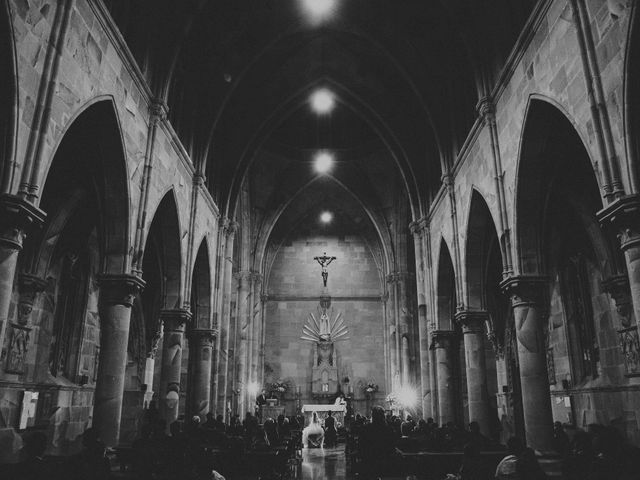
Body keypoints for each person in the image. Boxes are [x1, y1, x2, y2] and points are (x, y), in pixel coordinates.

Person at [358, 406, 396, 479]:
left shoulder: (365, 429)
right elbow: (392, 447)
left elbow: (361, 447)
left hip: (369, 463)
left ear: (373, 417)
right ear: (383, 416)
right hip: (386, 462)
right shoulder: (389, 429)